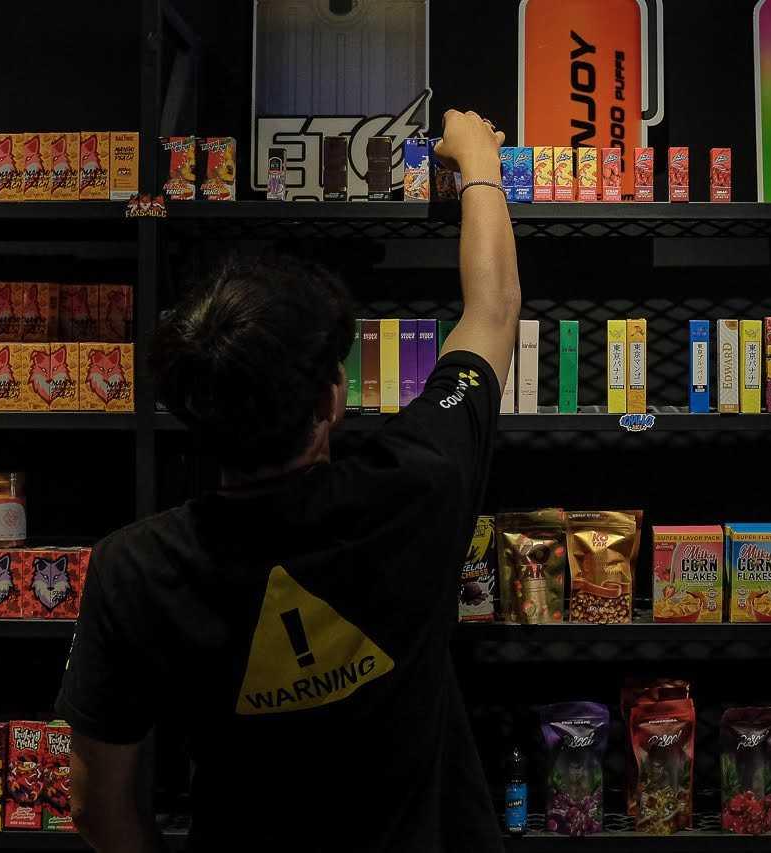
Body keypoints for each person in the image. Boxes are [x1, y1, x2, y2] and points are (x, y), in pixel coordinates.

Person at [56, 110, 519, 853]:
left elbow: (95, 803)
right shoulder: (416, 485)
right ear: (331, 398)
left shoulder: (134, 567)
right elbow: (491, 314)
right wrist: (479, 164)